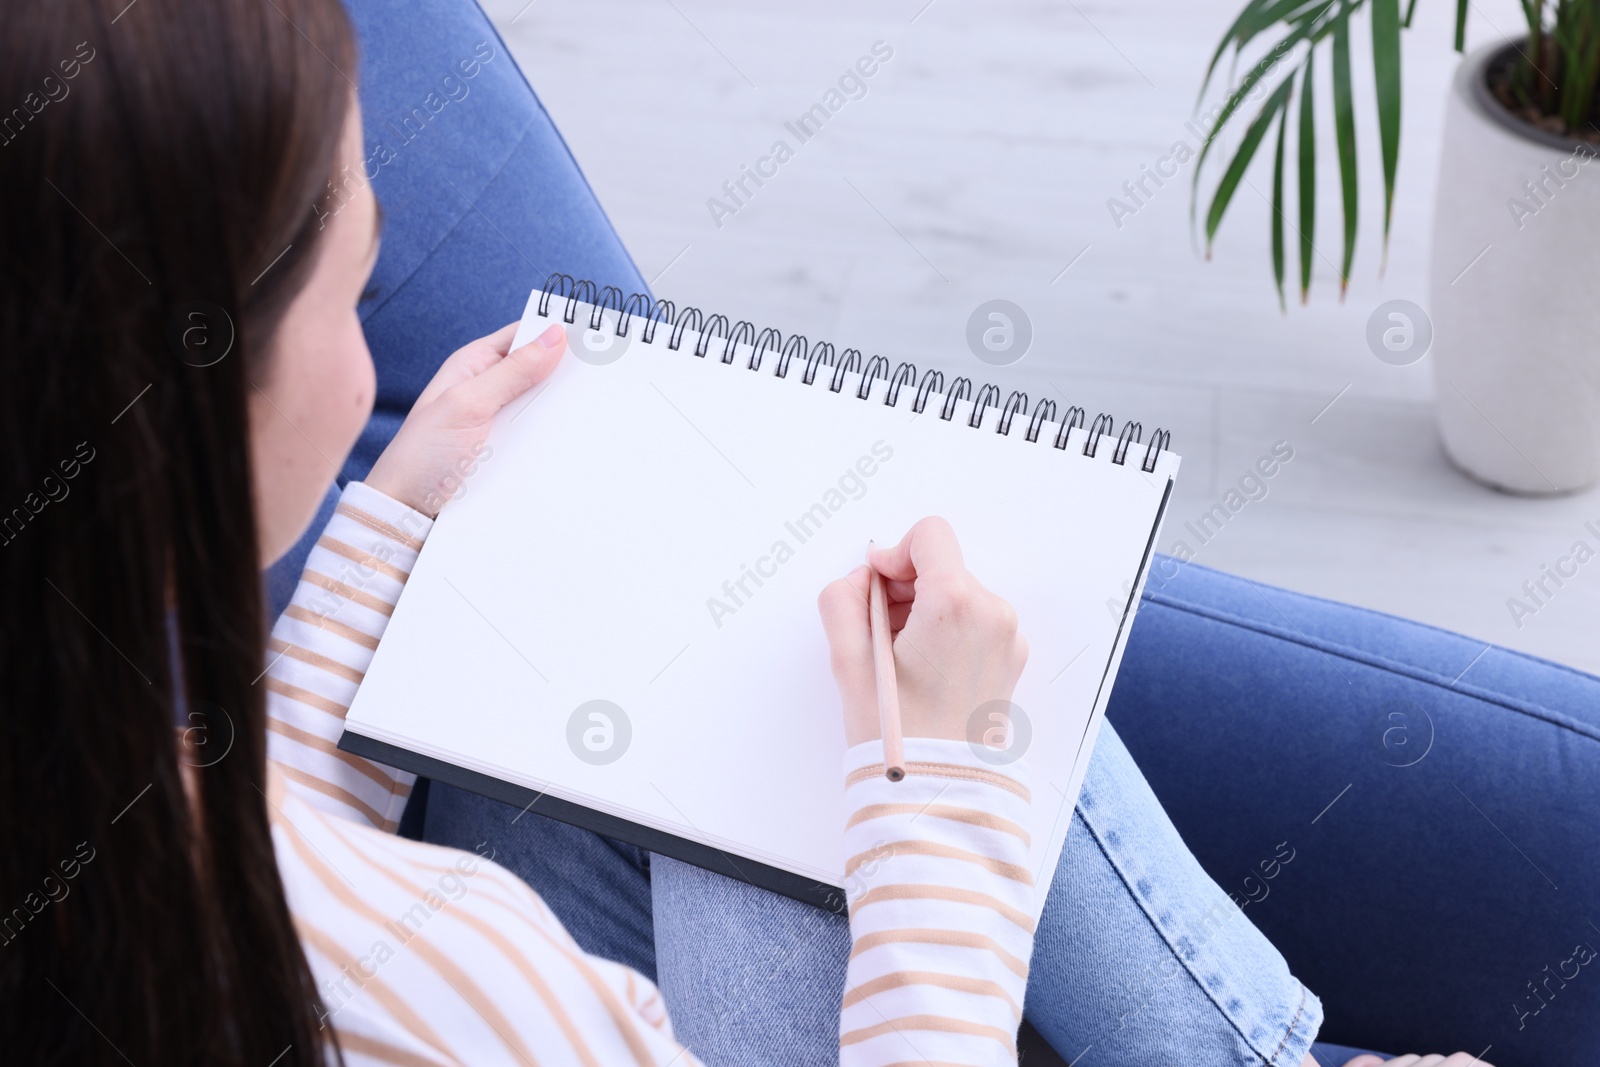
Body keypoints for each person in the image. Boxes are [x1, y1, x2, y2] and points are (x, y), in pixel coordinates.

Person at [0, 0, 1491, 1063]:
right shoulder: (487, 1000)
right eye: (350, 286)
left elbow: (269, 866)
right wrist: (945, 787)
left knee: (699, 601)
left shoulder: (112, 827)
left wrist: (391, 527)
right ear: (197, 409)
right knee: (802, 619)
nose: (375, 313)